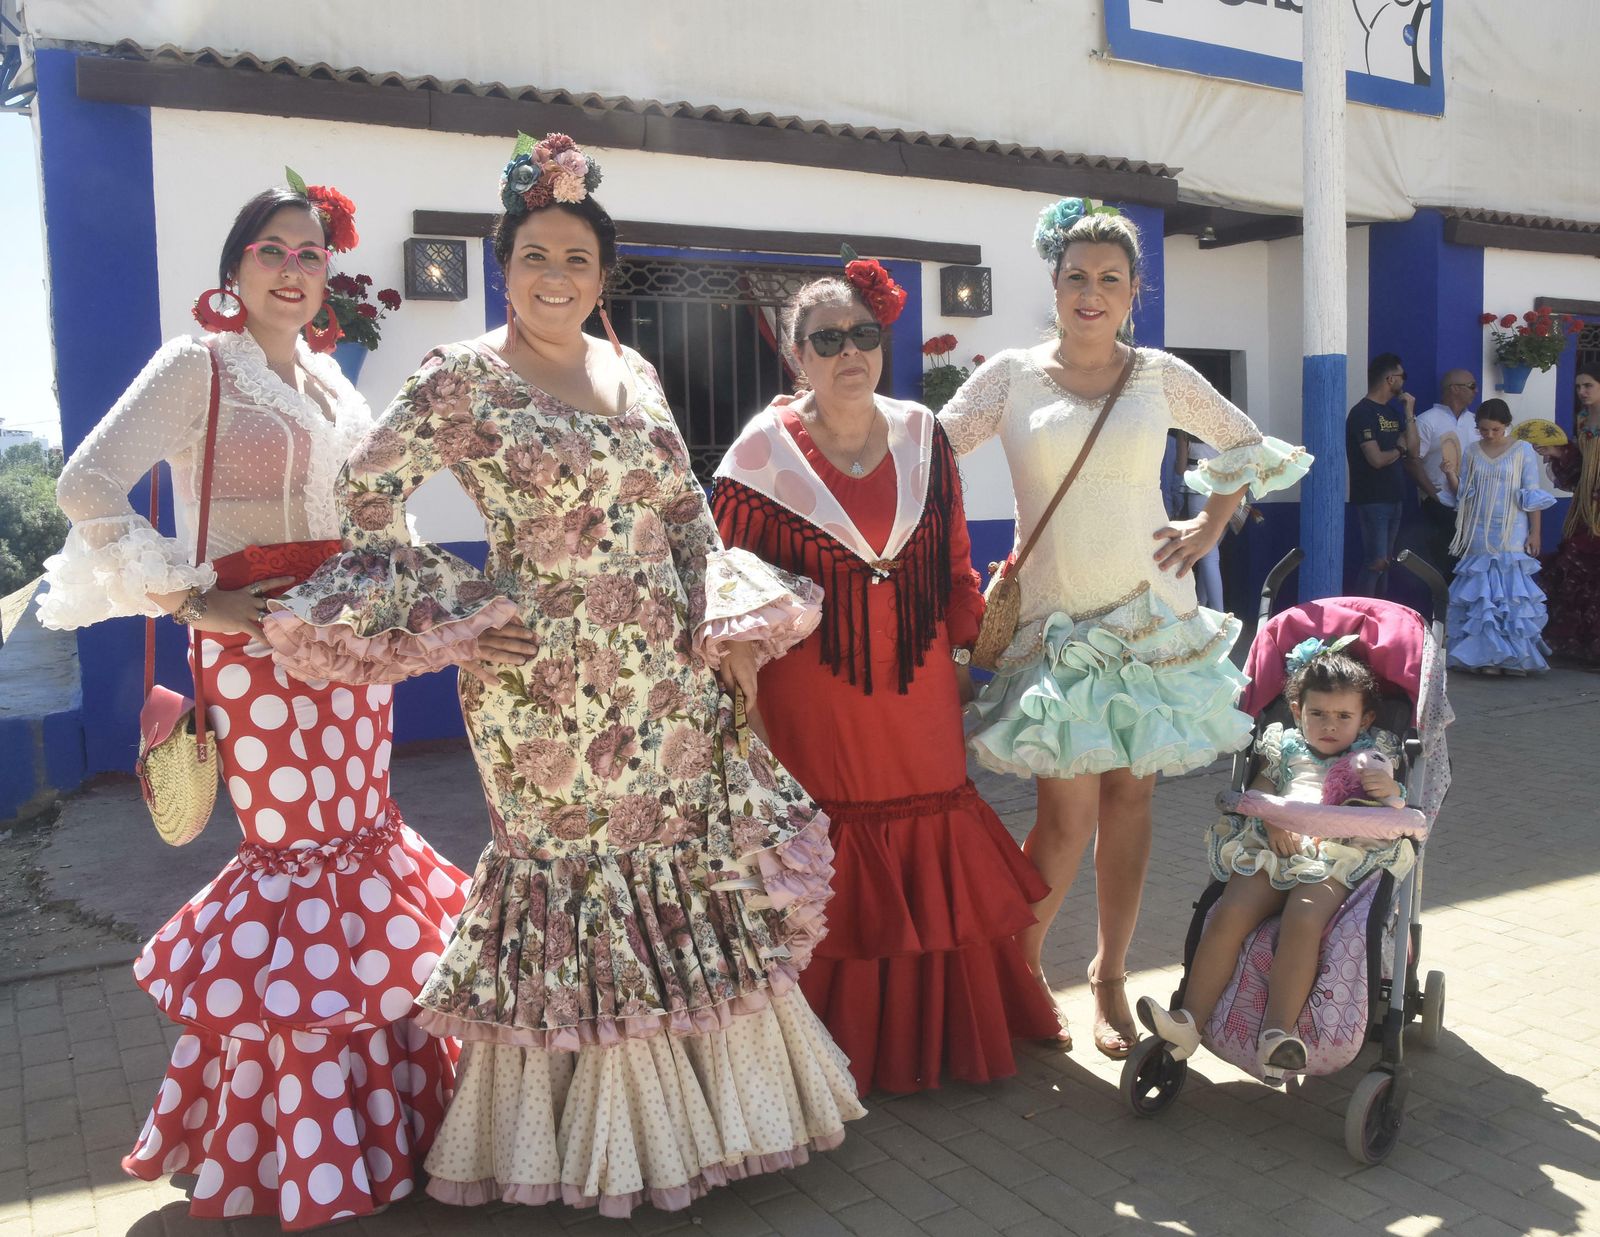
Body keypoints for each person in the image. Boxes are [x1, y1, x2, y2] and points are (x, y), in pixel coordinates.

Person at [262, 133, 863, 1216]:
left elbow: (685, 513)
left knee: (680, 873)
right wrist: (451, 614)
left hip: (665, 683)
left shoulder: (629, 369)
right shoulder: (462, 377)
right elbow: (365, 492)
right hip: (536, 684)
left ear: (600, 274)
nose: (556, 277)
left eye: (578, 261)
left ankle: (712, 1118)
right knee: (569, 882)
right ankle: (586, 1136)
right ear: (506, 263)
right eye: (537, 255)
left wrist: (721, 639)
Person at [34, 181, 470, 1228]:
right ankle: (296, 1142)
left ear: (327, 275)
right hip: (255, 651)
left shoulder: (331, 384)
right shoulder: (199, 365)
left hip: (350, 648)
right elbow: (87, 485)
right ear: (234, 270)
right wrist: (198, 596)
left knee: (366, 845)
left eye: (310, 253)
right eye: (270, 249)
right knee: (300, 864)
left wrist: (436, 609)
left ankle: (393, 1115)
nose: (291, 267)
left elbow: (370, 520)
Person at [935, 199, 1311, 1057]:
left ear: (1136, 290)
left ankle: (1109, 975)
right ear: (1056, 285)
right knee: (1063, 815)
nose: (1092, 293)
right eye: (1077, 278)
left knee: (1130, 800)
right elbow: (926, 449)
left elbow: (1247, 445)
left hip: (1150, 624)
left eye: (1111, 279)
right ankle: (1019, 973)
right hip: (1054, 627)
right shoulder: (1011, 377)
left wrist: (1209, 524)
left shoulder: (1160, 376)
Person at [711, 265, 1062, 1091]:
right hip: (812, 695)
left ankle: (941, 1038)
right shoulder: (757, 456)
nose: (849, 353)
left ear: (883, 344)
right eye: (826, 340)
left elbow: (954, 563)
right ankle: (829, 1052)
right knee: (830, 854)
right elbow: (728, 585)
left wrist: (980, 643)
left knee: (933, 839)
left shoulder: (921, 433)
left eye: (863, 335)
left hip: (916, 687)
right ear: (797, 355)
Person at [1138, 640, 1414, 1082]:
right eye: (1317, 714)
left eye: (1343, 716)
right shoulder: (1282, 747)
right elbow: (1257, 794)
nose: (1329, 725)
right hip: (1275, 845)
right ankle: (1189, 1020)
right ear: (1296, 710)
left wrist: (1390, 790)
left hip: (1334, 853)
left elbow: (1394, 806)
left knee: (1303, 919)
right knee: (1230, 911)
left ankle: (1277, 1034)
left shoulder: (1371, 755)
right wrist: (1272, 819)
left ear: (1365, 719)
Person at [1446, 400, 1555, 675]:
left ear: (1506, 425)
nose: (1490, 435)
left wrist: (1535, 532)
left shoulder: (1523, 451)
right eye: (1483, 430)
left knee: (1510, 595)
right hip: (1478, 530)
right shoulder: (1472, 451)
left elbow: (1531, 494)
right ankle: (1485, 658)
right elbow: (1466, 494)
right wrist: (1449, 474)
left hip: (1512, 530)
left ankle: (1513, 657)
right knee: (1482, 596)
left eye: (1495, 429)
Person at [1540, 363, 1600, 662]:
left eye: (1588, 385)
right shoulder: (1582, 418)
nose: (1582, 392)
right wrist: (1558, 452)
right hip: (1585, 510)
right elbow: (1580, 468)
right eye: (1578, 387)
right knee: (1575, 564)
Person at [1346, 354, 1418, 597]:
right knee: (1376, 562)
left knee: (1386, 562)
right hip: (1373, 498)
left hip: (1395, 496)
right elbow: (1376, 459)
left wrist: (1409, 411)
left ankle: (1381, 616)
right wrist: (1399, 448)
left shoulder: (1392, 412)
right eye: (1402, 377)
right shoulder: (1363, 413)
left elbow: (1414, 449)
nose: (1404, 382)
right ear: (1390, 379)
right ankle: (1361, 617)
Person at [1408, 369, 1478, 579]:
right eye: (1472, 386)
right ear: (1454, 389)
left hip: (1472, 505)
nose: (1476, 391)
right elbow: (1412, 460)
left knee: (1472, 567)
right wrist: (1433, 494)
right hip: (1441, 506)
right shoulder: (1427, 420)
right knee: (1446, 567)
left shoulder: (1476, 422)